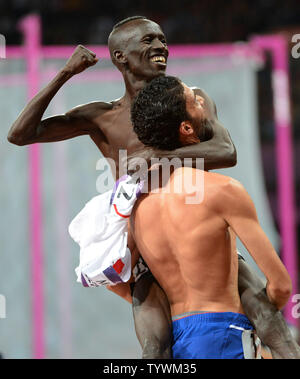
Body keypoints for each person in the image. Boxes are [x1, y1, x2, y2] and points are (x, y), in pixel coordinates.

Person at [7, 16, 299, 359]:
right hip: (150, 245)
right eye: (148, 41)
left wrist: (155, 156)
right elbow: (20, 134)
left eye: (161, 39)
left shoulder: (190, 99)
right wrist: (65, 72)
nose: (161, 46)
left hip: (199, 236)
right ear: (121, 57)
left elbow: (226, 151)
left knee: (268, 317)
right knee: (155, 349)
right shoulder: (103, 117)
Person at [130, 75, 293, 358]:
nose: (203, 101)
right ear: (186, 128)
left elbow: (117, 281)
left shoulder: (138, 208)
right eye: (195, 102)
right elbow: (281, 286)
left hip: (178, 340)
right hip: (225, 334)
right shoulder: (222, 191)